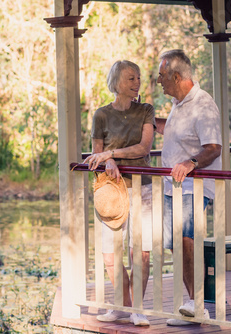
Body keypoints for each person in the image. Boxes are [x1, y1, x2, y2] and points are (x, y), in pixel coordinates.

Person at [84, 60, 155, 327]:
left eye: (138, 78)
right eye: (130, 79)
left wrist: (112, 154)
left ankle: (138, 309)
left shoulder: (146, 110)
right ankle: (121, 305)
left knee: (141, 251)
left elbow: (143, 149)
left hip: (142, 187)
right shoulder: (101, 115)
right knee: (110, 254)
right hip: (112, 190)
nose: (137, 83)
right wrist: (107, 161)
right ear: (117, 83)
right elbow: (96, 153)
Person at [154, 49, 222, 326]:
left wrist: (190, 163)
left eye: (161, 75)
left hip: (194, 185)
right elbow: (175, 133)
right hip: (174, 186)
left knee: (187, 240)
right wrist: (144, 119)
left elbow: (213, 148)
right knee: (177, 245)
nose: (158, 81)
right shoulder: (178, 103)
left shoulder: (203, 105)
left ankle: (199, 307)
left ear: (177, 76)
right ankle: (193, 305)